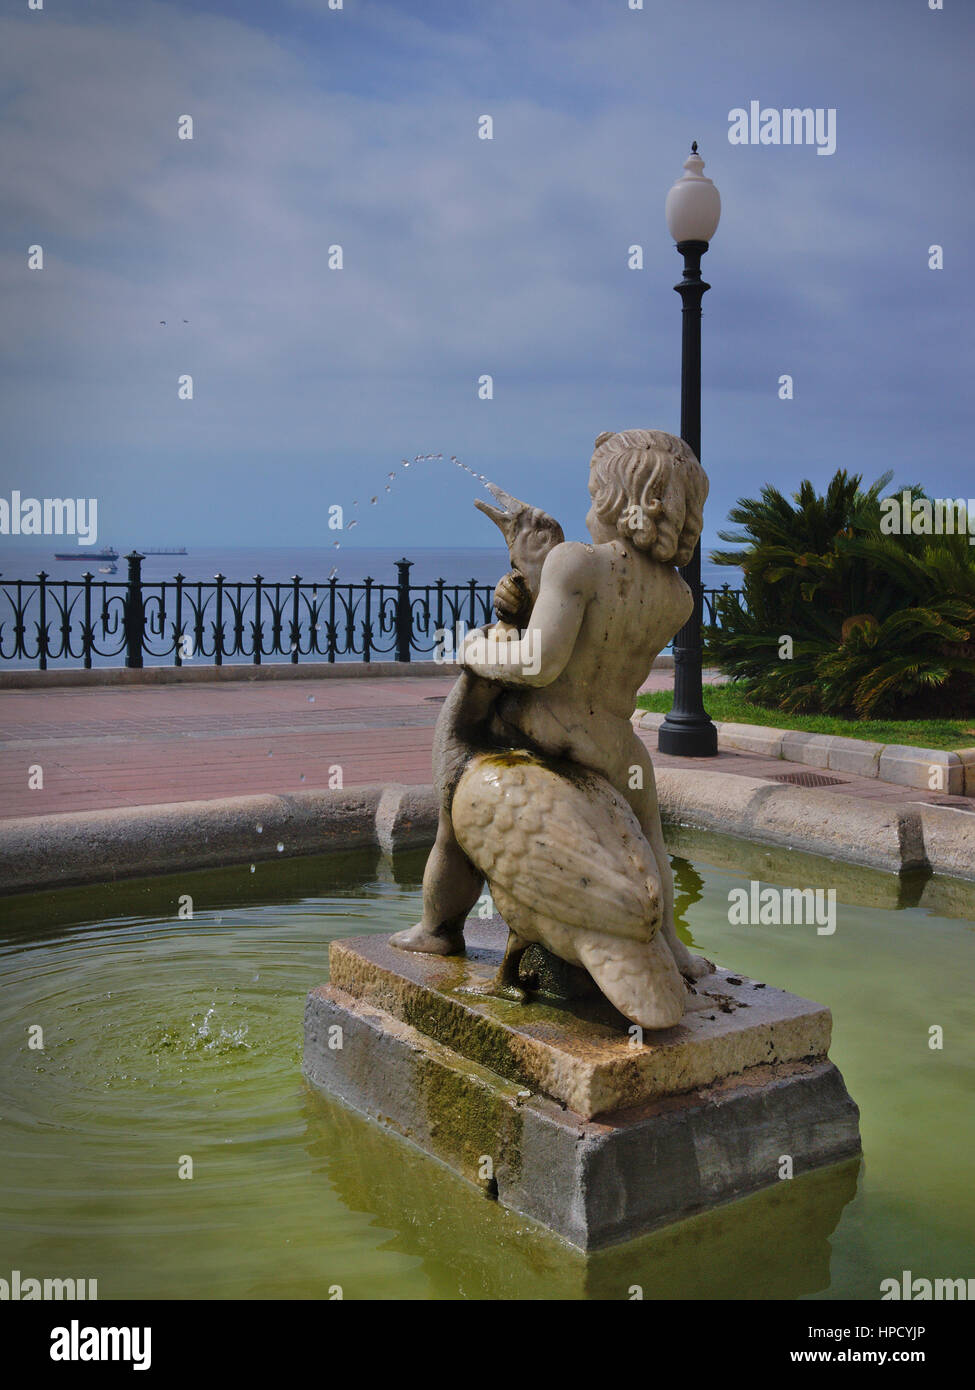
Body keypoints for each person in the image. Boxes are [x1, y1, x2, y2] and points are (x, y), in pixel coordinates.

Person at [391, 428, 712, 983]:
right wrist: (531, 589)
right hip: (617, 746)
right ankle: (673, 950)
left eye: (593, 493)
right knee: (652, 837)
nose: (588, 507)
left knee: (453, 817)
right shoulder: (678, 595)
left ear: (617, 497)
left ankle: (438, 930)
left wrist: (478, 650)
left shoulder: (578, 562)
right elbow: (598, 640)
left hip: (545, 731)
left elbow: (539, 664)